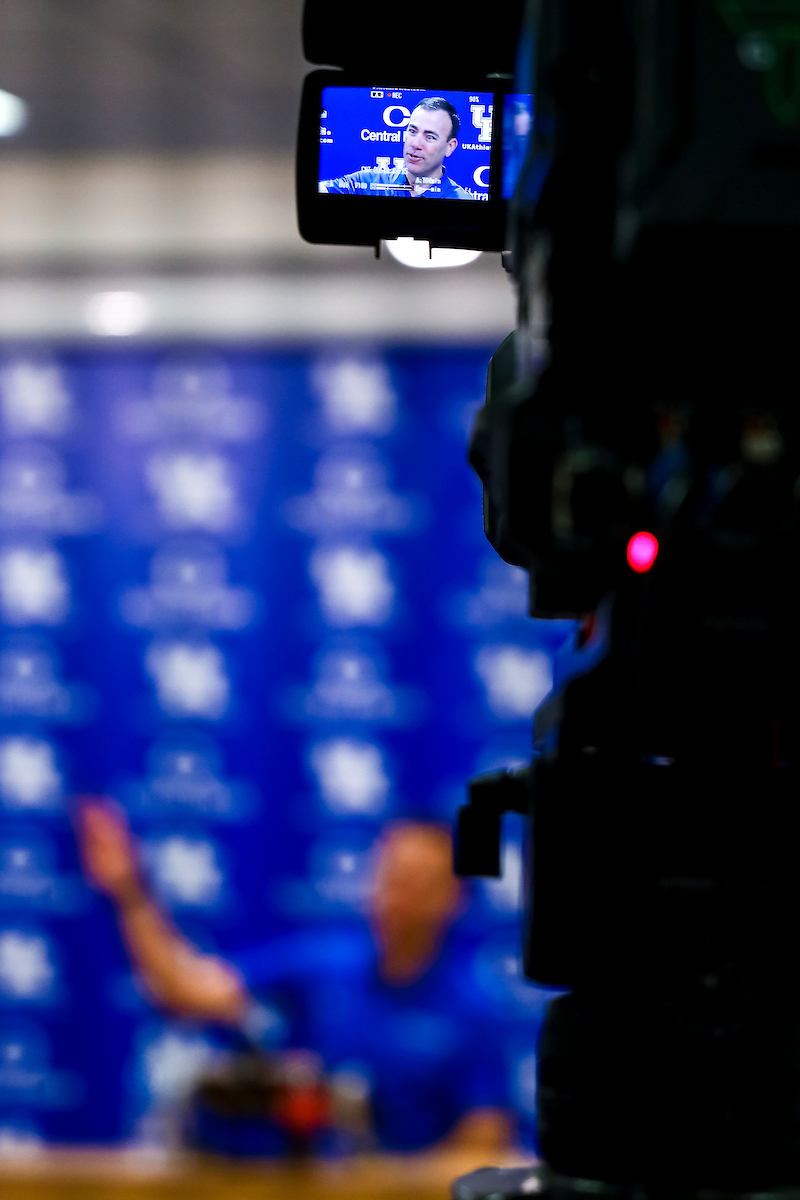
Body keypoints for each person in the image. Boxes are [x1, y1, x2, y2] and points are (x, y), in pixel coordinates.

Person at [77, 803, 513, 1154]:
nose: (395, 895)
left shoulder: (475, 1012)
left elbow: (480, 1149)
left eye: (417, 882)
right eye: (389, 875)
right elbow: (184, 991)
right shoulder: (322, 966)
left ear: (453, 897)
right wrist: (129, 891)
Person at [319, 97, 473, 199]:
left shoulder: (463, 200)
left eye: (430, 137)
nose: (415, 144)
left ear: (450, 147)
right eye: (412, 131)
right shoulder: (368, 182)